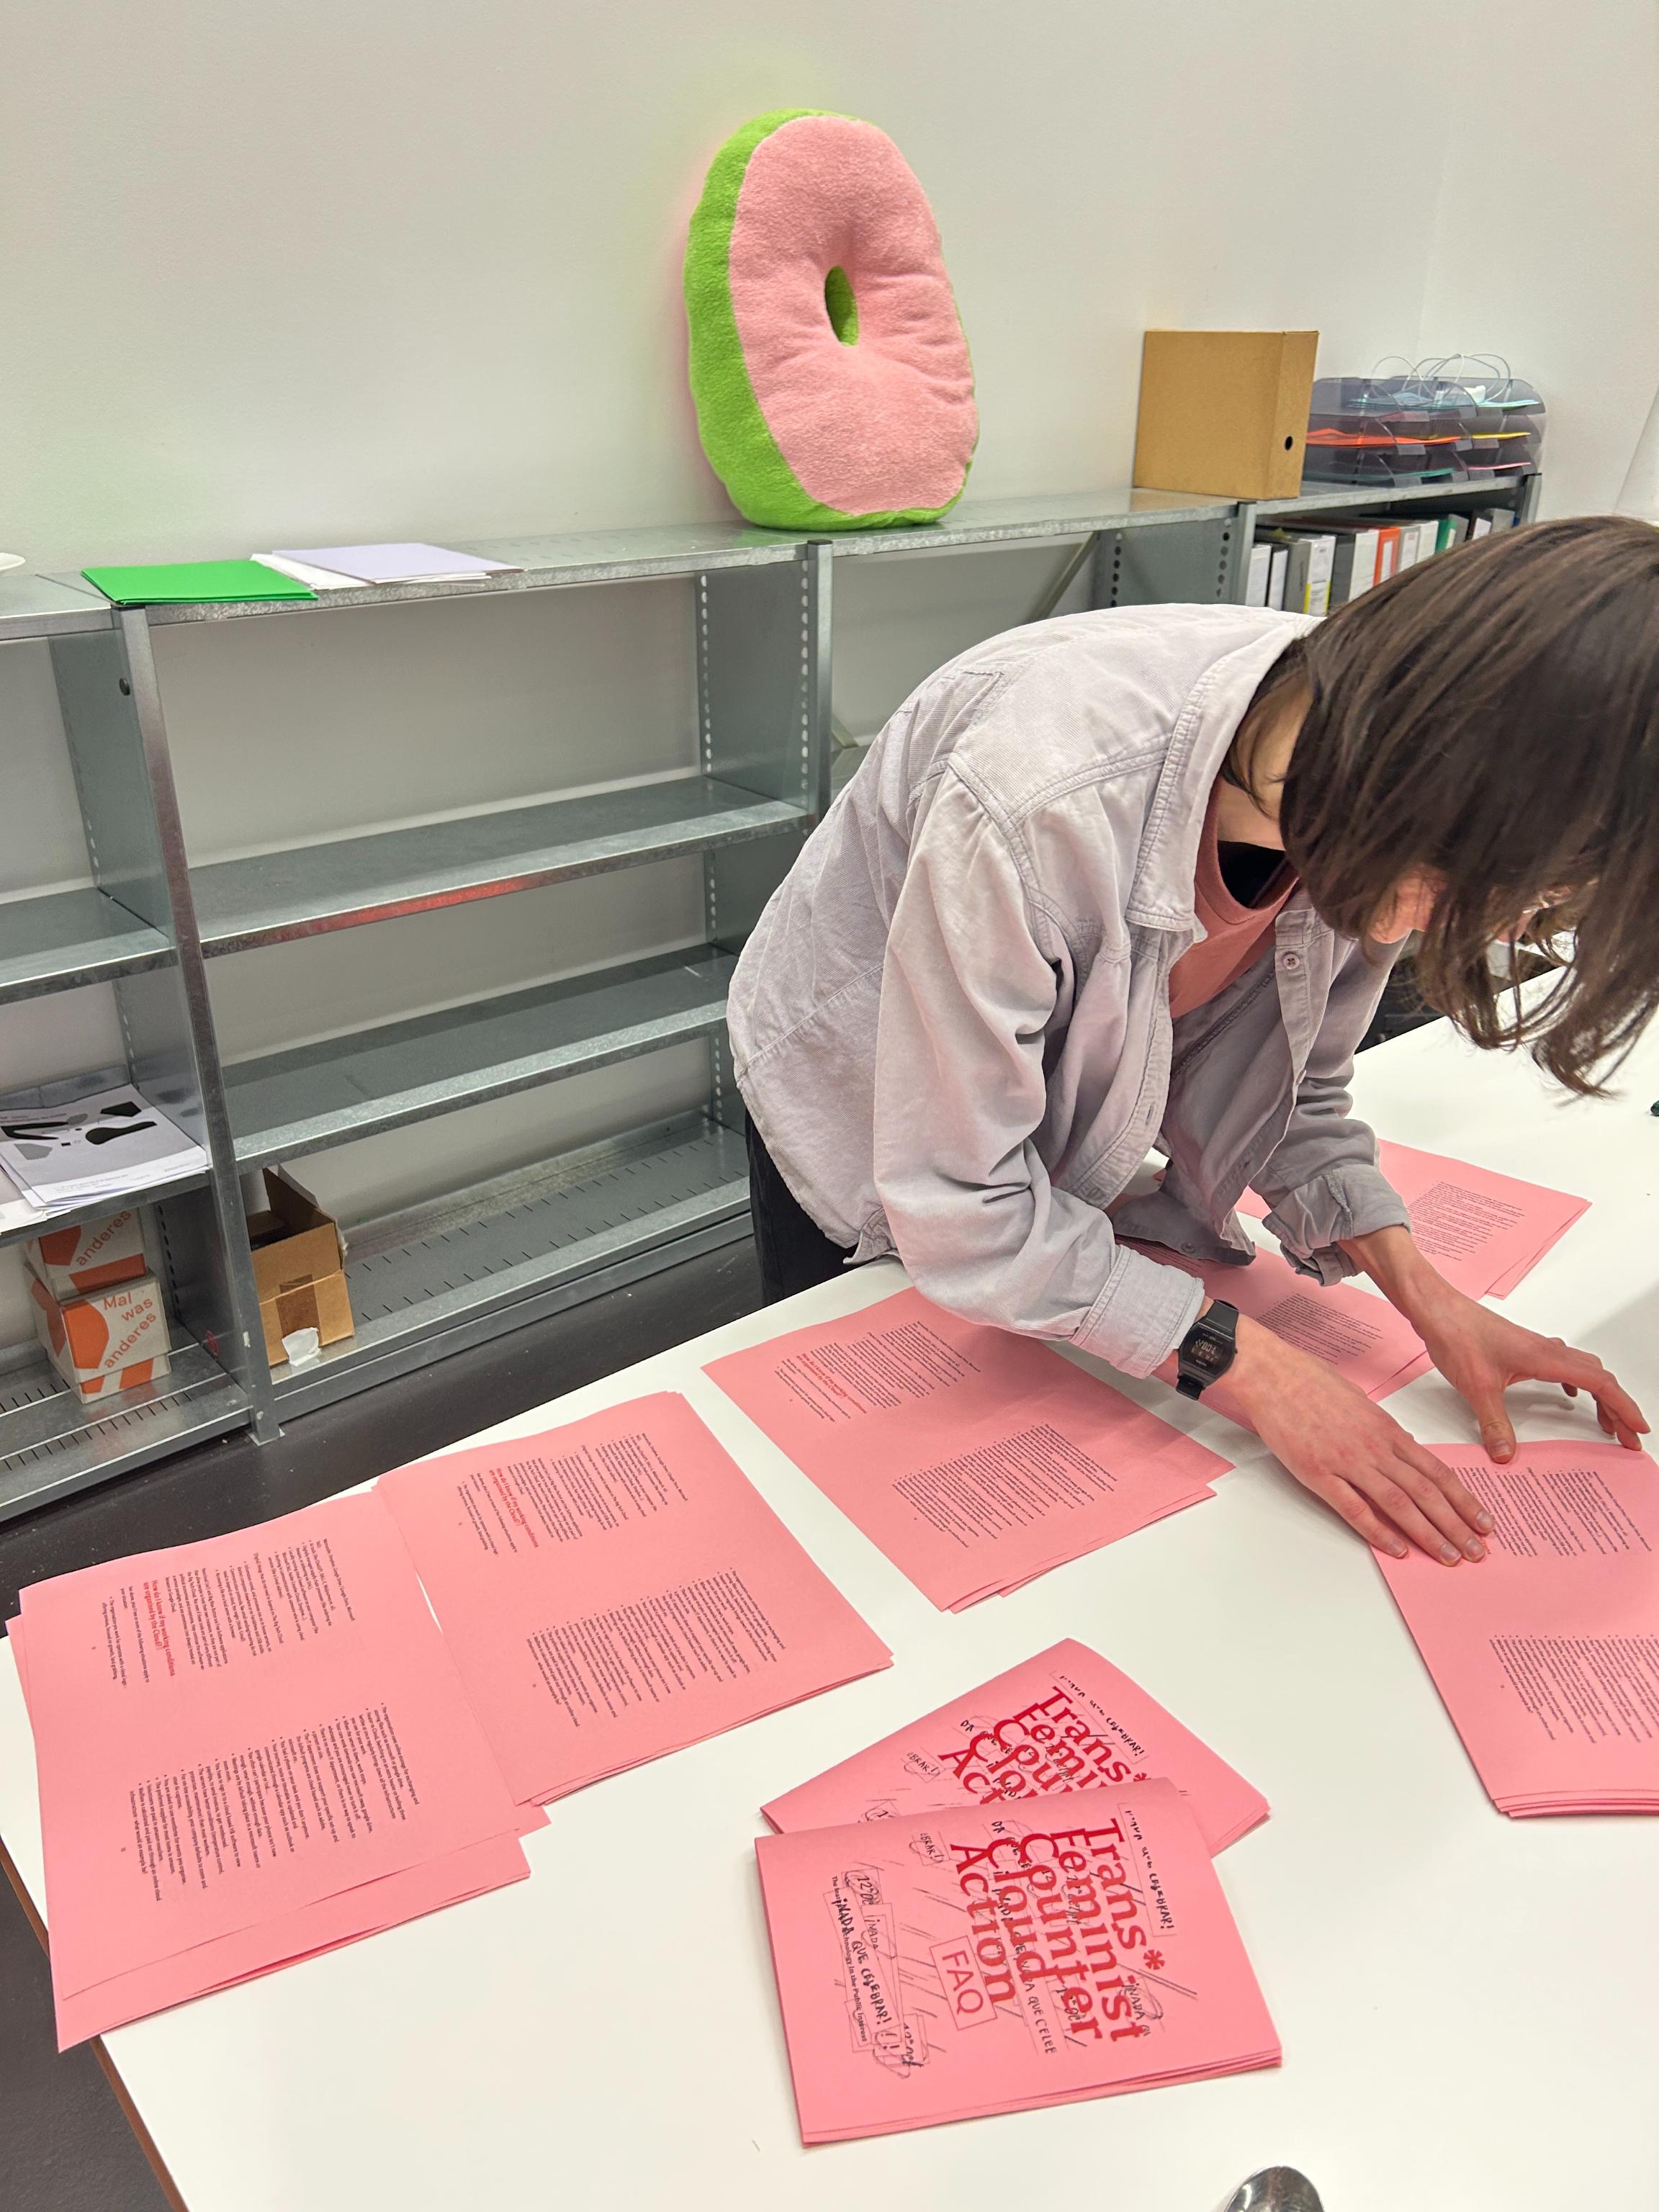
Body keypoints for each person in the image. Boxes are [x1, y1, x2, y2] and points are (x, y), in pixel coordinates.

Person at [729, 514, 1655, 1565]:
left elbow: (1293, 1094)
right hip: (865, 1083)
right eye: (1481, 895)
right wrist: (1254, 1372)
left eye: (1533, 913)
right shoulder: (1045, 800)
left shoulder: (1377, 785)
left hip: (1035, 1126)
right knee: (850, 1502)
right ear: (1442, 782)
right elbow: (965, 1203)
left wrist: (1428, 1299)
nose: (1428, 928)